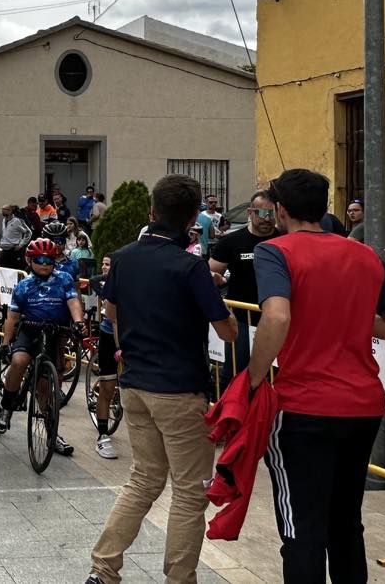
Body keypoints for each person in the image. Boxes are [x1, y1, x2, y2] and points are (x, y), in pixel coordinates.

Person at [246, 169, 385, 583]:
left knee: (301, 528)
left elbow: (275, 315)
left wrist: (255, 379)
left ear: (280, 209)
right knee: (345, 524)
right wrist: (353, 319)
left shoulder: (275, 251)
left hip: (303, 406)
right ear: (325, 208)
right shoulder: (364, 254)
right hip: (362, 406)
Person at [86, 174, 240, 584]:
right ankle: (179, 579)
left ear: (151, 212)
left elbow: (112, 313)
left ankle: (103, 569)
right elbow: (224, 328)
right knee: (190, 490)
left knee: (144, 479)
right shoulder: (190, 267)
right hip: (179, 389)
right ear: (193, 219)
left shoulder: (123, 257)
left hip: (135, 383)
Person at [0, 237, 87, 457]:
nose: (45, 263)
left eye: (50, 259)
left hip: (55, 332)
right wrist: (5, 343)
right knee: (19, 361)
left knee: (47, 386)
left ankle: (52, 433)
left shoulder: (64, 279)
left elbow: (73, 301)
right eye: (39, 259)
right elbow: (12, 318)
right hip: (30, 331)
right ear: (30, 261)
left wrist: (78, 322)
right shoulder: (23, 285)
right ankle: (6, 405)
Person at [207, 191, 278, 393]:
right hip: (241, 319)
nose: (266, 218)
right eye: (261, 212)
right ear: (250, 212)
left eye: (271, 213)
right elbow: (209, 274)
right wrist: (216, 284)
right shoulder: (232, 241)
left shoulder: (285, 239)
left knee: (274, 375)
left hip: (276, 320)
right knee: (236, 374)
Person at [86, 255, 119, 459]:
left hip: (132, 335)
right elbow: (114, 320)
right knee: (108, 386)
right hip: (111, 334)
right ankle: (103, 436)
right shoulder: (113, 285)